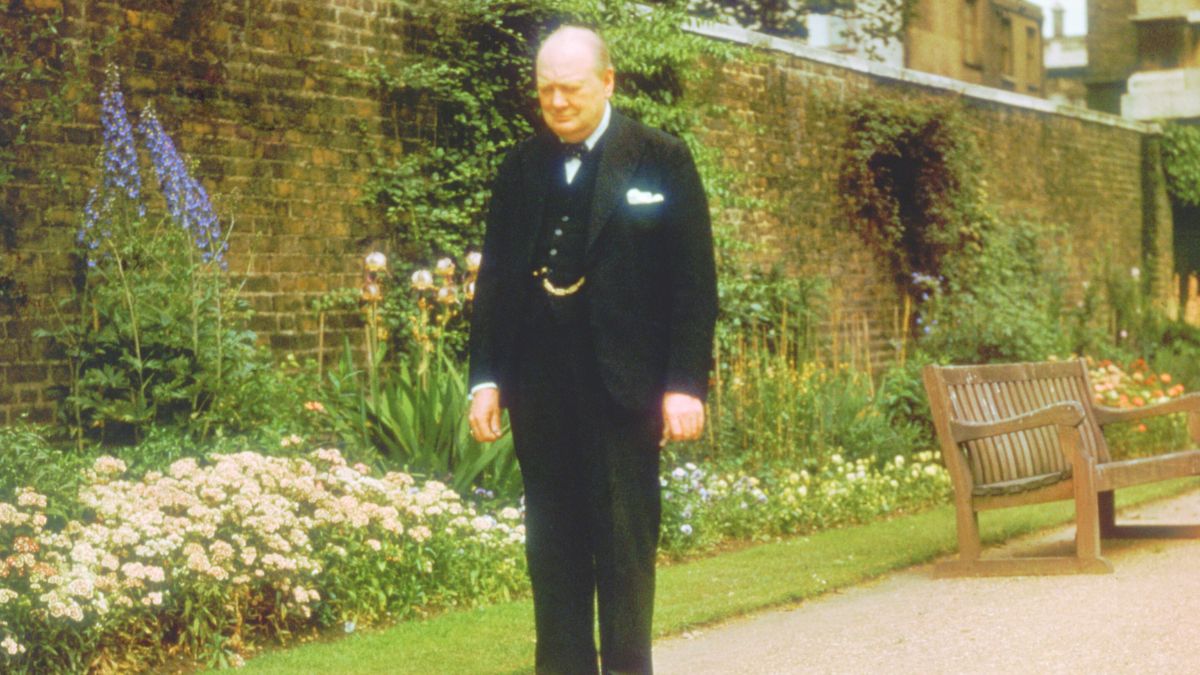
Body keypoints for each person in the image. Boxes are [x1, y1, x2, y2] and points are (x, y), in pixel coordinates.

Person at [467, 24, 717, 675]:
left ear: (607, 82)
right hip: (540, 390)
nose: (556, 101)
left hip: (623, 389)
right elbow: (493, 281)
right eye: (545, 89)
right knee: (553, 556)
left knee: (624, 556)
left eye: (570, 88)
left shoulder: (661, 159)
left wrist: (685, 384)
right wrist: (486, 379)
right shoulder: (519, 167)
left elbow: (693, 284)